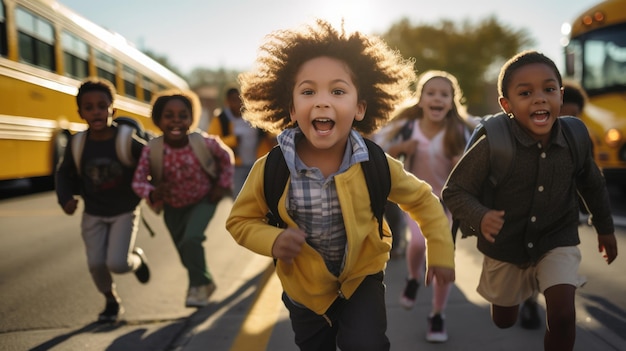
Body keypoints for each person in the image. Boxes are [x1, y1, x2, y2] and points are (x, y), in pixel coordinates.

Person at [225, 19, 455, 351]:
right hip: (304, 291)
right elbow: (240, 221)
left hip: (362, 279)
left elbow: (424, 201)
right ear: (292, 108)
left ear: (360, 107)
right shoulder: (273, 168)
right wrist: (273, 239)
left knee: (367, 344)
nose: (322, 102)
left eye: (337, 91)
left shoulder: (374, 163)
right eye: (308, 91)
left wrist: (441, 252)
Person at [442, 50, 618, 351]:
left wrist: (605, 227)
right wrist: (481, 215)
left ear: (561, 96)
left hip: (557, 236)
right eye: (526, 93)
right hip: (506, 244)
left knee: (563, 316)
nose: (539, 98)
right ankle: (521, 293)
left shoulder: (575, 136)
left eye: (549, 89)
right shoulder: (493, 143)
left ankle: (545, 283)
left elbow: (592, 183)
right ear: (506, 105)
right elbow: (454, 191)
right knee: (504, 319)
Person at [382, 70, 475, 342]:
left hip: (447, 203)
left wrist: (461, 162)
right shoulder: (407, 128)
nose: (437, 98)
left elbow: (473, 167)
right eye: (431, 93)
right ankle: (413, 277)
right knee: (417, 245)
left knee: (443, 258)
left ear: (451, 102)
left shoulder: (459, 131)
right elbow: (379, 153)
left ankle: (437, 315)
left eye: (444, 94)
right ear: (420, 100)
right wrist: (401, 148)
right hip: (415, 200)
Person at [55, 77, 150, 323]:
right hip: (93, 213)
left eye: (101, 106)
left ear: (112, 110)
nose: (96, 111)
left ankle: (137, 260)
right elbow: (63, 174)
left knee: (118, 263)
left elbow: (151, 158)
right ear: (80, 113)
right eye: (89, 107)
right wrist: (65, 198)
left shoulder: (126, 139)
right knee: (97, 264)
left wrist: (154, 186)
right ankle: (111, 300)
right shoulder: (77, 143)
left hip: (124, 210)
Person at [132, 90, 234, 308]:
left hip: (204, 199)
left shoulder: (202, 142)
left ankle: (197, 289)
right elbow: (138, 180)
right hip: (172, 207)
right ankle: (205, 282)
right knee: (184, 252)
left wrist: (221, 186)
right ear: (158, 120)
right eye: (169, 115)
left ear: (191, 119)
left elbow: (226, 157)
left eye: (183, 115)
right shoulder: (152, 149)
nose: (176, 120)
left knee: (191, 240)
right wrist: (152, 192)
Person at [518, 77, 591, 330]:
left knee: (557, 259)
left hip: (562, 216)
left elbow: (588, 176)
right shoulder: (524, 135)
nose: (568, 122)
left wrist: (589, 208)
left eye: (575, 116)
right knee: (529, 261)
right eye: (565, 115)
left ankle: (546, 294)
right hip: (528, 215)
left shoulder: (577, 137)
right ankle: (529, 301)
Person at [208, 87, 275, 197]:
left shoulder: (254, 115)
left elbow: (270, 130)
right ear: (228, 101)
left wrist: (272, 137)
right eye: (233, 99)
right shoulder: (221, 119)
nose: (237, 103)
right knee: (240, 198)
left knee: (260, 198)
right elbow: (212, 143)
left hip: (257, 165)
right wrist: (233, 140)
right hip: (235, 167)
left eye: (240, 99)